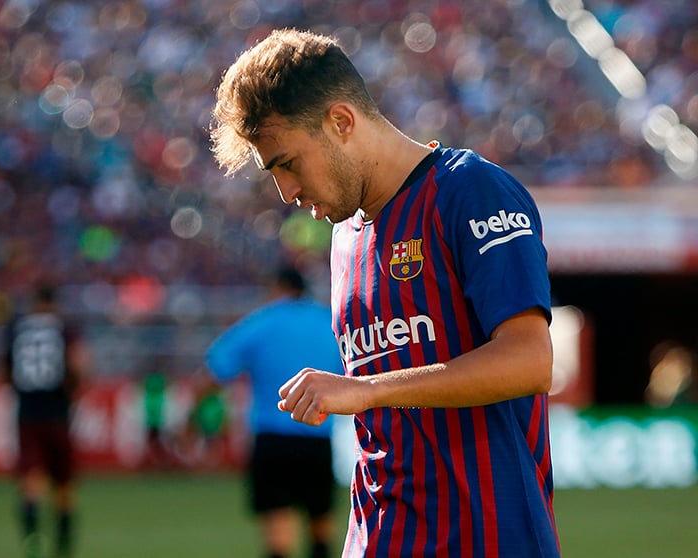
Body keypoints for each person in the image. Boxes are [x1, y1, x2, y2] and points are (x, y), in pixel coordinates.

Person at [210, 29, 558, 558]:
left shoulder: (471, 192)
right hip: (378, 539)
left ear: (341, 122)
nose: (287, 192)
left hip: (489, 538)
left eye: (287, 163)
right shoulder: (344, 238)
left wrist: (368, 390)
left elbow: (530, 361)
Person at [205, 266, 344, 558]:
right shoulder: (328, 322)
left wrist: (191, 418)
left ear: (279, 288)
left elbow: (216, 368)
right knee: (321, 528)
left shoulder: (262, 321)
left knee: (278, 536)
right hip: (317, 437)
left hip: (273, 439)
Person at [4, 285, 89, 558]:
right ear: (54, 303)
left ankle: (32, 543)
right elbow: (79, 364)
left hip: (27, 411)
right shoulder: (64, 328)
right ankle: (63, 548)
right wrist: (73, 393)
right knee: (63, 483)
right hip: (57, 411)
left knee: (30, 479)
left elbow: (5, 371)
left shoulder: (16, 327)